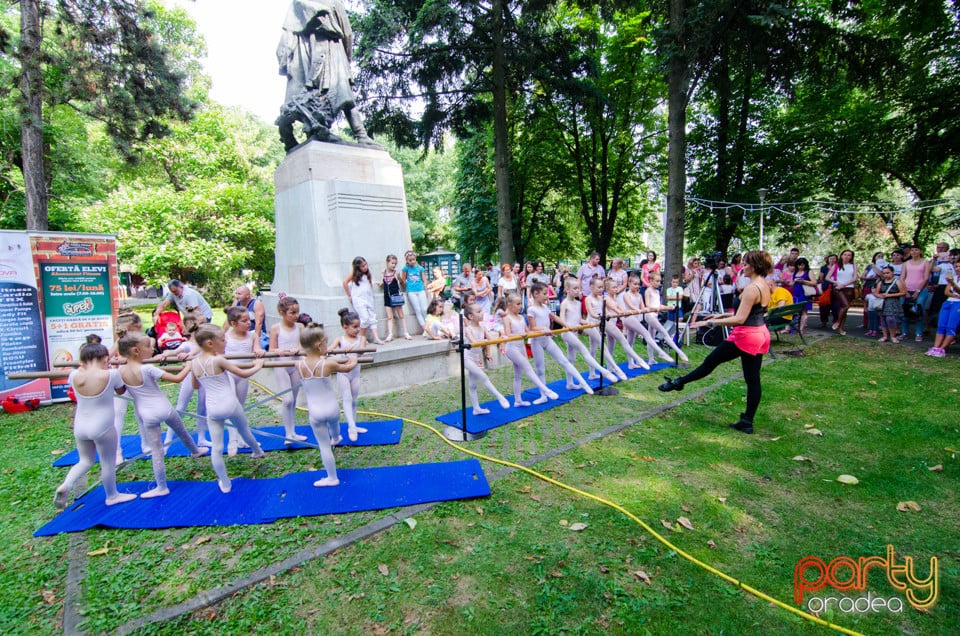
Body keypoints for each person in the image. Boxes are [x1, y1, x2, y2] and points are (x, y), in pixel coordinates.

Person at [658, 250, 774, 435]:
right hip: (759, 334)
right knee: (752, 379)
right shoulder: (764, 285)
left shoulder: (752, 288)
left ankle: (680, 382)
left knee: (710, 362)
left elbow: (740, 319)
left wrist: (710, 322)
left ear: (754, 266)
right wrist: (721, 314)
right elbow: (755, 313)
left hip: (746, 336)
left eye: (746, 263)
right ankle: (747, 421)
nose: (743, 266)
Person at [276, 0, 380, 150]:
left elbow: (287, 38)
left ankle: (354, 135)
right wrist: (346, 60)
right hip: (331, 51)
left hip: (309, 54)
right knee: (344, 94)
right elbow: (347, 34)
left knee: (337, 94)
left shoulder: (297, 3)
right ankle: (361, 135)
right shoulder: (332, 2)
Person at [117, 333, 208, 499]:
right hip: (164, 407)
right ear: (136, 350)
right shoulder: (147, 368)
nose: (152, 349)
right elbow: (178, 378)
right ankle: (195, 451)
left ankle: (161, 486)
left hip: (146, 413)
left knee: (157, 450)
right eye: (149, 346)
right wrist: (190, 364)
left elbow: (121, 390)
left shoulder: (121, 370)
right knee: (181, 431)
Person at [54, 343, 137, 510]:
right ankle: (112, 496)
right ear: (105, 359)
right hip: (103, 426)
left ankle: (66, 484)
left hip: (80, 426)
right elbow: (121, 391)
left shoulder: (74, 375)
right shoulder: (111, 374)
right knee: (108, 462)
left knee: (85, 461)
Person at [191, 325, 266, 493]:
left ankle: (225, 483)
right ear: (210, 343)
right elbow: (243, 373)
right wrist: (258, 365)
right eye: (223, 340)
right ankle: (258, 451)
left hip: (213, 408)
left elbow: (195, 385)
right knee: (244, 430)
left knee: (217, 447)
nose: (226, 342)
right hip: (230, 403)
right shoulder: (218, 360)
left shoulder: (194, 362)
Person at [298, 323, 359, 486]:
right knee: (334, 426)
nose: (327, 345)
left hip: (315, 412)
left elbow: (308, 357)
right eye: (326, 342)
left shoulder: (298, 364)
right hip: (332, 409)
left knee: (324, 446)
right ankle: (337, 437)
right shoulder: (328, 363)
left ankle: (332, 477)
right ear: (319, 346)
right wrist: (354, 359)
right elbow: (346, 368)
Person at [527, 281, 594, 394]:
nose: (547, 296)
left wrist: (567, 325)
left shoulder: (544, 307)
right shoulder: (531, 310)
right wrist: (543, 329)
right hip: (537, 341)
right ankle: (544, 394)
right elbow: (532, 328)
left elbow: (555, 317)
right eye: (544, 293)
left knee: (564, 361)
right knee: (540, 369)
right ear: (536, 294)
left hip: (547, 340)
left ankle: (583, 383)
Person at [558, 279, 620, 387]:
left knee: (571, 358)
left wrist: (587, 323)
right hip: (567, 333)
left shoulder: (578, 303)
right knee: (584, 351)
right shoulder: (564, 303)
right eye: (575, 288)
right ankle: (605, 372)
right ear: (567, 289)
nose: (578, 291)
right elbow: (562, 320)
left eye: (579, 288)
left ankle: (569, 383)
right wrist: (569, 327)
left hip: (575, 332)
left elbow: (579, 319)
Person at [500, 292, 559, 407]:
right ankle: (546, 390)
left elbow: (528, 331)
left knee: (518, 375)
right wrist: (520, 334)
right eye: (518, 304)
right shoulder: (507, 318)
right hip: (512, 348)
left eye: (521, 303)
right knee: (528, 368)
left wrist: (543, 331)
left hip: (520, 347)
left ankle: (517, 401)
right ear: (510, 305)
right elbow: (508, 334)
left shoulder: (521, 317)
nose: (520, 306)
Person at [223, 306, 265, 456]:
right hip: (229, 374)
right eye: (244, 321)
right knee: (231, 406)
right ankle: (232, 440)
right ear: (234, 324)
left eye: (249, 320)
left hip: (243, 375)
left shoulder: (252, 336)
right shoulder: (226, 336)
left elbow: (257, 349)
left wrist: (259, 352)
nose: (249, 323)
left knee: (239, 408)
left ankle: (241, 438)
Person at [269, 296, 309, 445]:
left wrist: (297, 349)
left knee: (293, 400)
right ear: (282, 312)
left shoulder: (300, 327)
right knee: (287, 400)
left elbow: (302, 346)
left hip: (296, 364)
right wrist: (278, 350)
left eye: (297, 312)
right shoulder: (276, 328)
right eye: (292, 312)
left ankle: (293, 432)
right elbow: (272, 348)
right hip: (281, 365)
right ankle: (287, 434)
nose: (295, 315)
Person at [460, 303, 511, 415]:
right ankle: (500, 397)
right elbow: (473, 342)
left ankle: (476, 409)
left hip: (475, 358)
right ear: (471, 316)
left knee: (473, 385)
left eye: (481, 311)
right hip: (467, 359)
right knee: (484, 377)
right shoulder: (468, 329)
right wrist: (483, 342)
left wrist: (502, 337)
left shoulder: (482, 328)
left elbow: (492, 340)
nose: (482, 313)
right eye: (478, 312)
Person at [330, 308, 369, 441]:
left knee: (353, 400)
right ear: (345, 327)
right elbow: (330, 350)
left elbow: (362, 351)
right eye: (354, 327)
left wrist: (354, 348)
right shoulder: (340, 339)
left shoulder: (361, 339)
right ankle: (351, 427)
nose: (358, 329)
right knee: (346, 398)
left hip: (355, 373)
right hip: (343, 373)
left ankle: (353, 424)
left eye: (359, 326)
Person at [643, 272, 689, 363]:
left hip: (654, 315)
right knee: (664, 333)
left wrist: (669, 307)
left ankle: (651, 359)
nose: (658, 283)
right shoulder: (648, 291)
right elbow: (648, 305)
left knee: (651, 336)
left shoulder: (657, 291)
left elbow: (659, 305)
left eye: (659, 281)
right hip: (649, 315)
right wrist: (655, 308)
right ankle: (678, 352)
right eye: (656, 281)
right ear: (651, 281)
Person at [343, 256, 385, 345]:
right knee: (364, 318)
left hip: (368, 298)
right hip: (358, 299)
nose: (365, 267)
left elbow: (369, 284)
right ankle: (362, 338)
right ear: (358, 267)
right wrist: (349, 295)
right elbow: (345, 282)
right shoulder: (354, 274)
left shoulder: (368, 274)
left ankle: (376, 338)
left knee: (372, 318)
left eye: (365, 265)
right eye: (362, 266)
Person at [900, 245, 932, 341]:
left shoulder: (925, 262)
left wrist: (918, 291)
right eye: (912, 250)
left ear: (920, 251)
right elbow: (902, 277)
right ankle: (904, 332)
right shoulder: (906, 263)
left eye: (916, 250)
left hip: (921, 290)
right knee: (905, 310)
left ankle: (919, 333)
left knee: (918, 310)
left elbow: (926, 277)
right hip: (906, 289)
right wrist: (905, 290)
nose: (914, 252)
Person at [926, 267, 960, 357]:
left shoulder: (952, 280)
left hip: (958, 304)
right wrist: (955, 294)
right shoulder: (954, 277)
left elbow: (958, 290)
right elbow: (946, 292)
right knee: (941, 326)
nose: (957, 268)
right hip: (948, 302)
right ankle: (935, 348)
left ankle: (942, 348)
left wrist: (953, 284)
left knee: (951, 326)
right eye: (956, 266)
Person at [380, 254, 412, 341]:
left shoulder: (395, 273)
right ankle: (390, 334)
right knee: (390, 317)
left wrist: (398, 277)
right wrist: (379, 283)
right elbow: (383, 282)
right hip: (387, 296)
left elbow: (401, 282)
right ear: (387, 263)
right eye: (392, 263)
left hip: (396, 296)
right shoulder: (384, 273)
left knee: (401, 315)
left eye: (395, 263)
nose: (393, 265)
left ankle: (406, 332)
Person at [828, 249, 857, 335]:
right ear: (841, 255)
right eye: (845, 254)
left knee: (844, 309)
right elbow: (827, 277)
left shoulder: (853, 265)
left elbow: (855, 278)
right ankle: (837, 322)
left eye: (849, 255)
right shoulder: (836, 265)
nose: (847, 256)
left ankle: (840, 328)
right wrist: (837, 283)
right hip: (838, 289)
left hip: (849, 289)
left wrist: (844, 284)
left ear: (851, 257)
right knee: (846, 305)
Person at [400, 250, 429, 331]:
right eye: (410, 260)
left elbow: (424, 280)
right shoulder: (405, 268)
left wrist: (426, 290)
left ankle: (429, 325)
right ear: (407, 261)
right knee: (418, 310)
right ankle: (424, 328)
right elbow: (403, 281)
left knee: (424, 309)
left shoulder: (420, 268)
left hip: (420, 289)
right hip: (411, 291)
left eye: (413, 259)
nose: (412, 261)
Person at [875, 265, 905, 343]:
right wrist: (880, 296)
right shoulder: (881, 282)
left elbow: (903, 292)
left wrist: (890, 295)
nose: (886, 275)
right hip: (883, 302)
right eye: (884, 273)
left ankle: (893, 336)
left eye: (888, 273)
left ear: (892, 272)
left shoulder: (897, 281)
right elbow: (876, 292)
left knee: (890, 319)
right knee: (883, 319)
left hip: (893, 302)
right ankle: (885, 336)